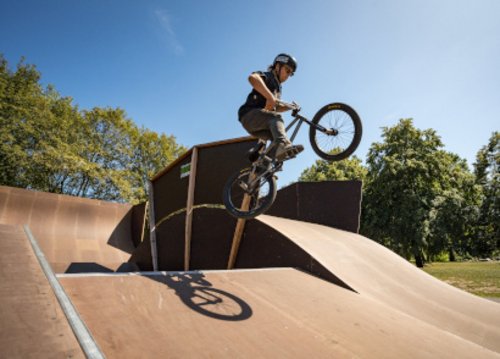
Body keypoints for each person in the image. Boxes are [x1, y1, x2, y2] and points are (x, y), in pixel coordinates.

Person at [238, 53, 304, 161]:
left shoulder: (278, 89)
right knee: (276, 118)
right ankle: (284, 145)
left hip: (258, 125)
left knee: (274, 142)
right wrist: (270, 97)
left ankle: (266, 170)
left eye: (290, 74)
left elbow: (276, 107)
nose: (287, 76)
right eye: (287, 71)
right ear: (278, 66)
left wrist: (289, 107)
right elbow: (252, 78)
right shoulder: (269, 76)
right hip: (248, 115)